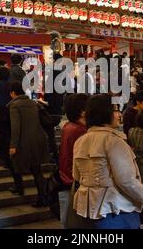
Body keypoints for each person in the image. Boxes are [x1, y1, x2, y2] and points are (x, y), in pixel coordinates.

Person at [72, 94, 143, 229]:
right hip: (116, 209)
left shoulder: (81, 141)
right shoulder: (114, 141)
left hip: (89, 209)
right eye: (116, 110)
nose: (119, 114)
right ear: (105, 113)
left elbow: (76, 176)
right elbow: (127, 181)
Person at [8, 81, 49, 207]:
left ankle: (20, 188)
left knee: (16, 164)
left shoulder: (14, 105)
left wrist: (13, 145)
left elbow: (16, 127)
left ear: (13, 93)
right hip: (38, 139)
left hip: (24, 142)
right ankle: (43, 197)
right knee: (37, 170)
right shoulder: (33, 103)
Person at [58, 93, 89, 228]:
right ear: (83, 112)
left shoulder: (68, 126)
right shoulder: (80, 131)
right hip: (73, 182)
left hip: (65, 179)